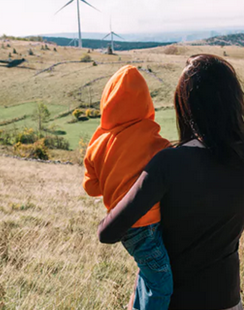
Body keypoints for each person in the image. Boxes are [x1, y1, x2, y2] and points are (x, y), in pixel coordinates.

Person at [97, 54, 244, 310]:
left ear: (186, 107)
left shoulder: (169, 163)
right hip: (228, 298)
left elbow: (107, 233)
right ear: (234, 100)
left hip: (173, 302)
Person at [83, 65, 173, 309]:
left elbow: (91, 187)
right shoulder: (153, 138)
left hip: (124, 226)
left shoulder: (98, 144)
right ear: (145, 101)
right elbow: (170, 163)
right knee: (161, 283)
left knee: (147, 273)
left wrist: (113, 179)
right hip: (147, 225)